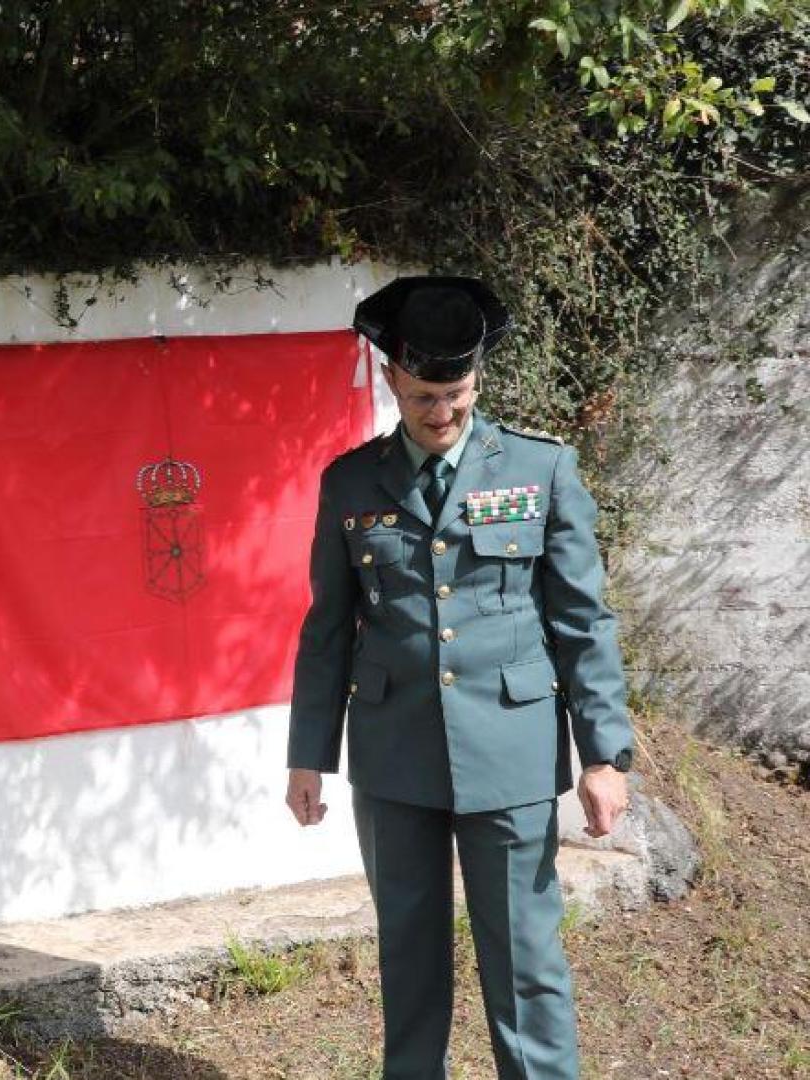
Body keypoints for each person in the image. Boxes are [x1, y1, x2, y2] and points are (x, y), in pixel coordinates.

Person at [286, 276, 635, 1079]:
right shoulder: (350, 483)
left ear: (478, 379)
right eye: (422, 399)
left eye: (456, 394)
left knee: (524, 961)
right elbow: (328, 628)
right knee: (408, 955)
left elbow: (583, 621)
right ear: (391, 383)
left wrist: (604, 755)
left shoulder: (541, 470)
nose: (441, 414)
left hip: (509, 752)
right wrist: (309, 754)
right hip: (393, 753)